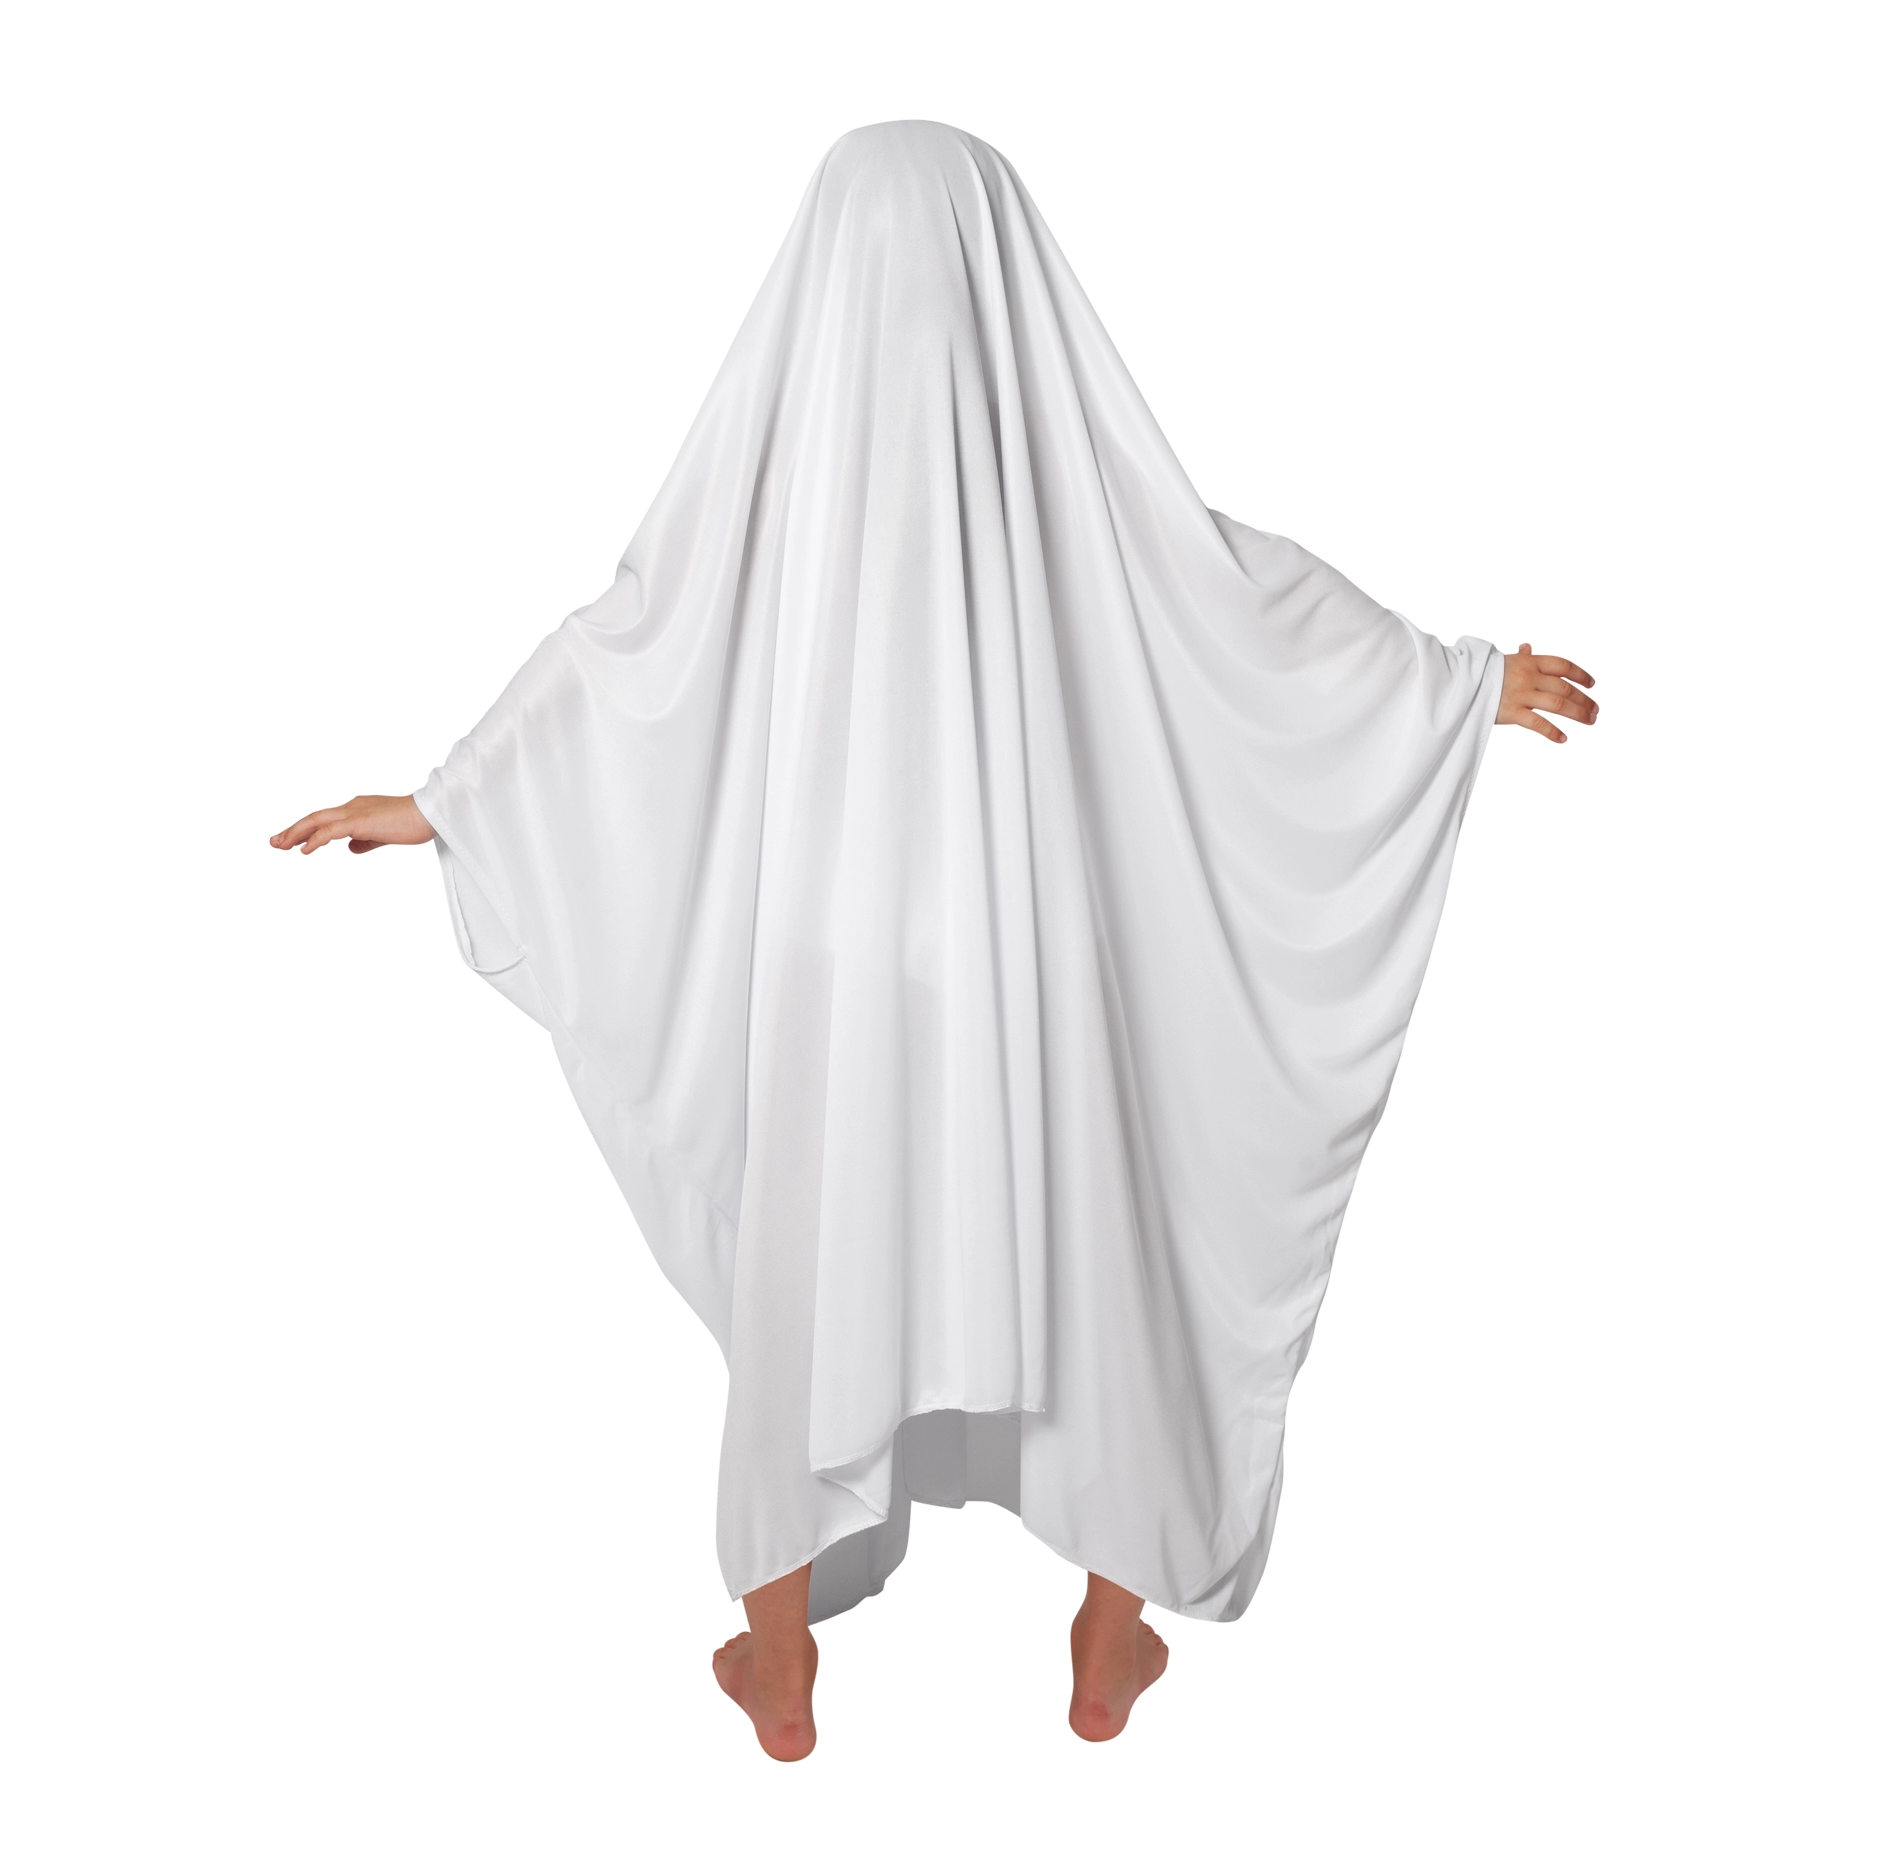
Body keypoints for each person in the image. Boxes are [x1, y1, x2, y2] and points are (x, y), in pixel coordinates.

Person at [272, 122, 1595, 1761]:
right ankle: (1108, 1633)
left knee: (814, 1274)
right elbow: (1231, 604)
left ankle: (779, 1661)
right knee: (1104, 1250)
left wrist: (449, 801)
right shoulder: (1076, 479)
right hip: (1048, 947)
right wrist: (1454, 685)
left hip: (829, 957)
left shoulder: (765, 486)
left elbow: (631, 649)